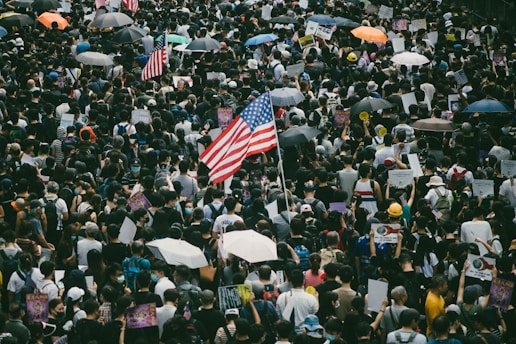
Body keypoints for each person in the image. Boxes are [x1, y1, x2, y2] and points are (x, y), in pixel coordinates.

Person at [276, 269, 318, 334]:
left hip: (287, 333)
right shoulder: (311, 298)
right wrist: (316, 298)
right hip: (305, 333)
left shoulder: (282, 297)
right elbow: (315, 311)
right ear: (303, 281)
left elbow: (278, 315)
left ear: (290, 282)